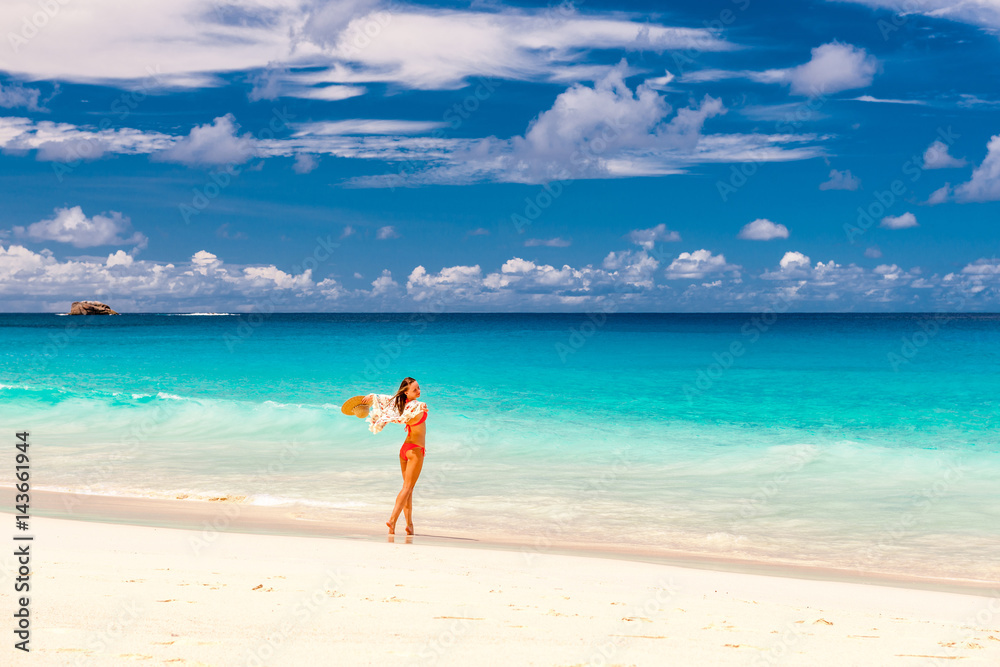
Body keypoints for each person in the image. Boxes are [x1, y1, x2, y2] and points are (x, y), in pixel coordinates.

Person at [360, 377, 428, 535]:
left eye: (418, 388)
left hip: (405, 450)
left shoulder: (402, 405)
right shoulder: (415, 406)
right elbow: (418, 407)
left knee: (408, 490)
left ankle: (409, 525)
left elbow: (388, 400)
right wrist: (422, 405)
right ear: (406, 392)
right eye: (415, 389)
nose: (419, 391)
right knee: (407, 488)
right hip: (416, 450)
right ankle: (392, 520)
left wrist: (374, 396)